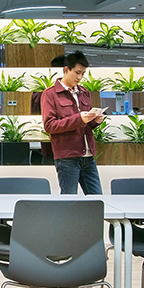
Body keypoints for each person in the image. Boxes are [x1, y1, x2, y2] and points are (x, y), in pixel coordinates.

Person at [41, 50, 104, 195]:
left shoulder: (84, 92)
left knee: (97, 200)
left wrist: (95, 121)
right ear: (66, 69)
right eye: (77, 72)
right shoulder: (50, 94)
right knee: (69, 201)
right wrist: (78, 119)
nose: (80, 77)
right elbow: (50, 125)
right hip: (67, 156)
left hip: (88, 156)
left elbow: (85, 125)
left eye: (83, 73)